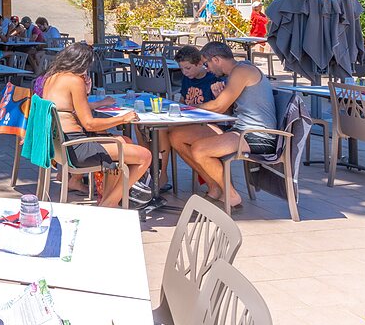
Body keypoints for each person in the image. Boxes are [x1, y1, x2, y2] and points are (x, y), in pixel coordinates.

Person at [38, 43, 152, 208]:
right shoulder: (74, 80)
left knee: (125, 140)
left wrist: (87, 90)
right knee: (144, 156)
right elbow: (90, 124)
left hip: (59, 146)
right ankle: (109, 203)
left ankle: (105, 198)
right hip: (76, 148)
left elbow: (72, 111)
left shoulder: (51, 78)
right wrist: (123, 119)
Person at [172, 42, 278, 209]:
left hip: (258, 134)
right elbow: (227, 112)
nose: (207, 69)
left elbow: (217, 107)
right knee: (177, 136)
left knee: (200, 149)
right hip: (239, 129)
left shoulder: (242, 71)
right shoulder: (234, 74)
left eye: (207, 64)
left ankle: (231, 195)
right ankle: (214, 186)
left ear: (216, 59)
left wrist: (186, 109)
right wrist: (218, 95)